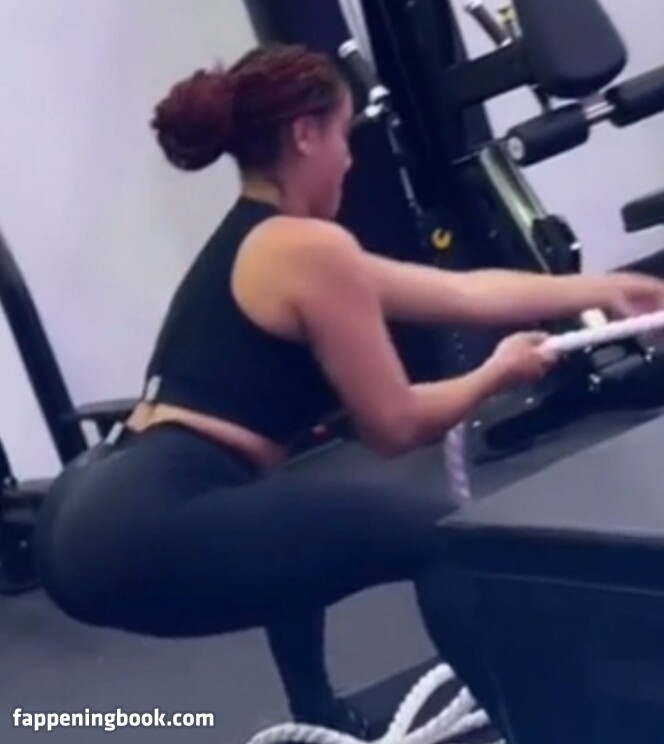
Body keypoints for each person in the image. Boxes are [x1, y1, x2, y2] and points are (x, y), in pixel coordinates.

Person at [33, 44, 664, 736]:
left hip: (93, 508)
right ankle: (548, 729)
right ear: (306, 134)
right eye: (343, 134)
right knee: (444, 541)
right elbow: (394, 425)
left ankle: (317, 713)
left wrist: (603, 289)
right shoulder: (307, 249)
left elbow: (458, 293)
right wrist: (495, 373)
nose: (349, 159)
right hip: (141, 526)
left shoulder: (267, 243)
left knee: (284, 516)